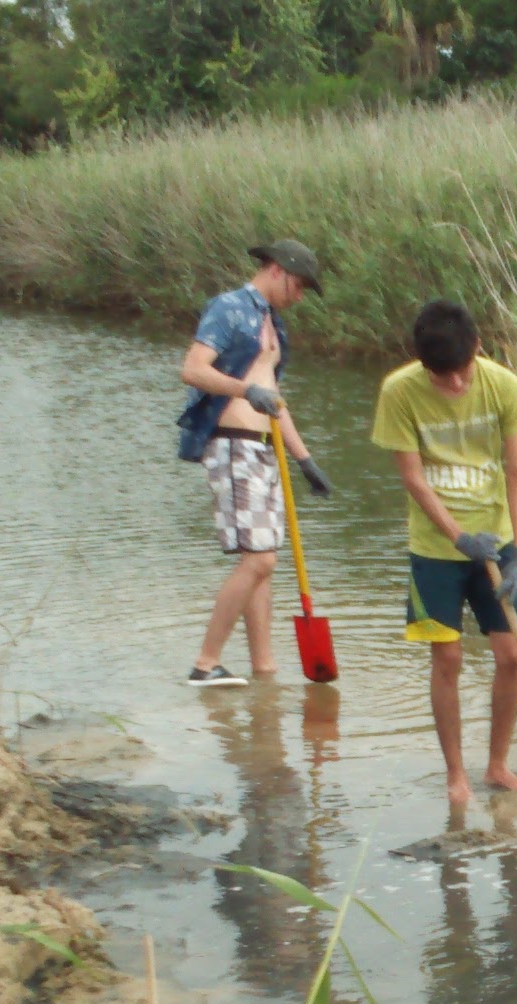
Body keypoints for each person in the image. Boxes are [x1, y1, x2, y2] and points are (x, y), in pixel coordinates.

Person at [372, 300, 517, 809]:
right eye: (442, 378)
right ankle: (455, 775)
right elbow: (412, 477)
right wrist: (455, 535)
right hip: (435, 547)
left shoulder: (504, 386)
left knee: (512, 655)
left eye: (462, 373)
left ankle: (497, 766)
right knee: (446, 656)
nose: (456, 386)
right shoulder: (398, 391)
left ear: (478, 349)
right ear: (424, 365)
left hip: (500, 538)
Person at [178, 240, 334, 686]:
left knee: (262, 562)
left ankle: (264, 669)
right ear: (278, 270)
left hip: (265, 447)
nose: (300, 296)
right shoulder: (229, 307)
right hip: (230, 443)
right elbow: (192, 369)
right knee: (260, 561)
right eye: (300, 286)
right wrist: (245, 392)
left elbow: (273, 398)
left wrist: (305, 460)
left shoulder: (275, 325)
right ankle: (205, 664)